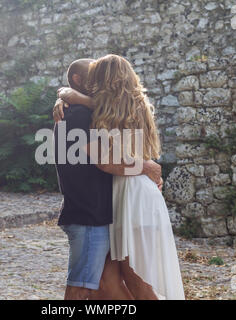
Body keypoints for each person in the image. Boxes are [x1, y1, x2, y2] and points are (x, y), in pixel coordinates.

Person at [54, 54, 185, 300]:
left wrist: (69, 96)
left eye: (98, 77)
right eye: (91, 78)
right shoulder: (116, 107)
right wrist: (64, 96)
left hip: (132, 194)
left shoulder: (116, 109)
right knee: (108, 280)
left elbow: (106, 161)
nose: (94, 84)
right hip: (122, 195)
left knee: (137, 279)